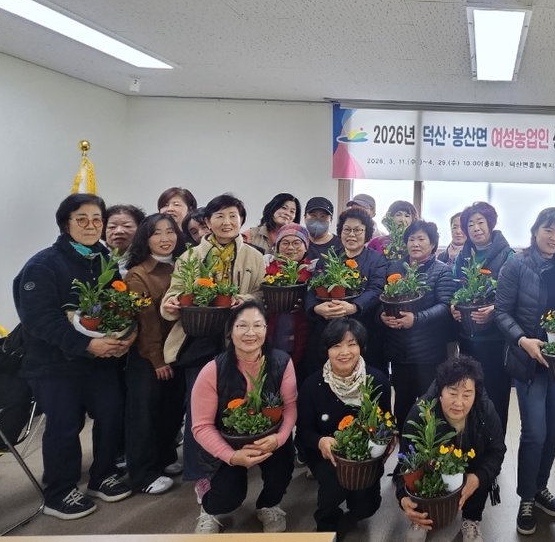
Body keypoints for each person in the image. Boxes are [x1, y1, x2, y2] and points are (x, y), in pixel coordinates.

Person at [12, 193, 135, 519]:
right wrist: (86, 345)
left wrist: (126, 334)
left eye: (97, 219)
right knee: (65, 426)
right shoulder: (43, 265)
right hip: (54, 364)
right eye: (82, 219)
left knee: (111, 414)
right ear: (66, 224)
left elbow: (118, 304)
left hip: (99, 361)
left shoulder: (103, 259)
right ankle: (59, 492)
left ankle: (102, 475)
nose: (91, 226)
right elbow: (39, 320)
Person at [161, 194, 267, 493]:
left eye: (233, 215)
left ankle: (235, 464)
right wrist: (170, 304)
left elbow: (262, 295)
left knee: (237, 404)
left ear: (241, 220)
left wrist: (244, 299)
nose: (227, 222)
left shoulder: (254, 256)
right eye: (219, 216)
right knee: (200, 409)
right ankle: (200, 473)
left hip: (239, 343)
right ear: (207, 222)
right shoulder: (190, 257)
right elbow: (175, 292)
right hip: (199, 341)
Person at [494, 207, 555, 536]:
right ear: (535, 232)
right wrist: (523, 341)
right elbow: (501, 312)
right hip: (529, 360)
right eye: (548, 230)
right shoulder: (516, 264)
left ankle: (541, 487)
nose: (554, 238)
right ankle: (526, 498)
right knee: (535, 432)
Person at [190, 302, 298, 534]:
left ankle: (269, 505)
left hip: (269, 437)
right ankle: (208, 508)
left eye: (258, 325)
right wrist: (231, 456)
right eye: (242, 326)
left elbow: (289, 408)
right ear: (230, 331)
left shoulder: (281, 362)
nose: (251, 333)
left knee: (281, 469)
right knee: (228, 497)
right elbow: (201, 426)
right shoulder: (212, 370)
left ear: (266, 329)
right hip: (227, 441)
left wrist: (278, 439)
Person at [397, 355, 506, 542]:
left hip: (471, 468)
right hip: (433, 472)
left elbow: (497, 451)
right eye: (453, 393)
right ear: (440, 392)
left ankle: (471, 519)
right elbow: (405, 458)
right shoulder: (421, 412)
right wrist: (402, 497)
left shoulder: (485, 411)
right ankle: (421, 519)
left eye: (467, 395)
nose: (459, 403)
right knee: (418, 464)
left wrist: (479, 477)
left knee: (481, 469)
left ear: (475, 394)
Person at [295, 319, 391, 533]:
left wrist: (385, 443)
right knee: (334, 486)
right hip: (327, 455)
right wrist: (320, 441)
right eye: (336, 345)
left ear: (361, 347)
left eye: (351, 344)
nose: (344, 352)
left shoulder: (377, 381)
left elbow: (386, 423)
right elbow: (303, 433)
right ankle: (326, 521)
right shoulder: (312, 385)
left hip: (364, 458)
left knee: (366, 508)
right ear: (327, 350)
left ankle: (356, 506)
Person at [122, 213, 185, 495]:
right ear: (145, 239)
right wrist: (157, 360)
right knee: (144, 415)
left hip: (177, 351)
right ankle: (142, 474)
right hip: (150, 357)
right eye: (156, 233)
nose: (164, 238)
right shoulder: (138, 274)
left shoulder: (182, 266)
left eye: (169, 231)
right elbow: (146, 322)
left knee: (170, 411)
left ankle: (164, 458)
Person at [450, 202, 515, 439]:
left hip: (495, 340)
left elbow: (515, 296)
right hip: (468, 339)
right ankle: (471, 449)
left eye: (481, 222)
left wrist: (495, 310)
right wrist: (453, 305)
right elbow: (455, 288)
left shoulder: (508, 255)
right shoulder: (463, 255)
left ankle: (495, 450)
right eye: (470, 224)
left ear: (490, 224)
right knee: (469, 394)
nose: (476, 228)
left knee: (496, 397)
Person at [382, 220, 457, 423]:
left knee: (428, 408)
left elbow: (445, 307)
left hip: (429, 354)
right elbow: (384, 298)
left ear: (432, 244)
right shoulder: (395, 268)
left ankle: (428, 444)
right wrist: (383, 315)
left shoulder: (442, 271)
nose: (415, 243)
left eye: (421, 239)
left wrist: (416, 319)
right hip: (400, 352)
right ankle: (402, 443)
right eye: (411, 239)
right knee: (402, 406)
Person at [312, 207, 389, 373]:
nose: (351, 234)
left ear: (367, 233)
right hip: (331, 327)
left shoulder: (377, 260)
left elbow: (376, 289)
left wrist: (354, 306)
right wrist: (316, 308)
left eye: (358, 230)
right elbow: (312, 287)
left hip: (365, 327)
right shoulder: (329, 257)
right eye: (347, 229)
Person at [264, 224, 316, 382]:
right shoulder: (267, 267)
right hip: (272, 330)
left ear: (305, 246)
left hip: (305, 334)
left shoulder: (313, 270)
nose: (290, 248)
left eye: (296, 243)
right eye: (285, 243)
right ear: (277, 246)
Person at [105, 204, 145, 273]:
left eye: (127, 226)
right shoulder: (93, 257)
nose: (119, 231)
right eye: (112, 227)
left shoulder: (148, 260)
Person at [303, 196, 344, 264]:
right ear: (305, 217)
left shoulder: (340, 245)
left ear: (331, 220)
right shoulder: (298, 242)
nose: (318, 219)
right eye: (313, 215)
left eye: (323, 216)